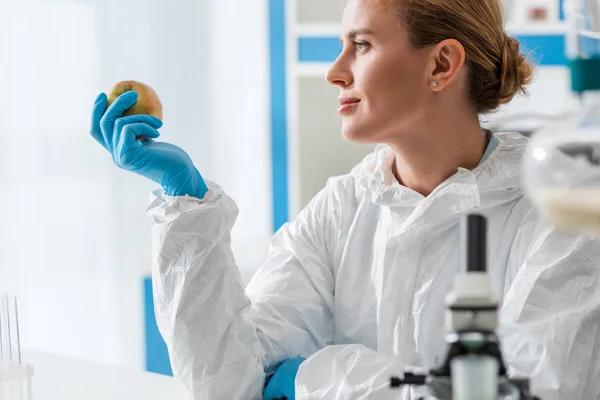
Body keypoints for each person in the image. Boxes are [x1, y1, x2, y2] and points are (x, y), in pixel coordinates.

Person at [89, 0, 600, 399]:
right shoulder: (344, 207)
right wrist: (185, 200)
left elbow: (536, 390)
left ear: (441, 64)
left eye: (361, 45)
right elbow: (226, 380)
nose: (335, 71)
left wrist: (315, 378)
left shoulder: (563, 207)